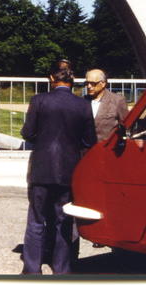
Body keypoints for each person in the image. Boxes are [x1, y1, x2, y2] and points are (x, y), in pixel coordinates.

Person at [20, 59, 97, 274]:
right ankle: (61, 270)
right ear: (72, 80)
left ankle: (32, 270)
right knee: (63, 221)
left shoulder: (39, 100)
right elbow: (90, 141)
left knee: (36, 220)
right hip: (69, 171)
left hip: (41, 169)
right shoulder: (83, 105)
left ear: (52, 78)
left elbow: (27, 132)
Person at [84, 68, 129, 143]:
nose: (89, 86)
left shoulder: (118, 101)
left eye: (93, 83)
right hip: (85, 152)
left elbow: (126, 127)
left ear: (103, 83)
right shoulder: (83, 101)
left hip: (107, 150)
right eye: (87, 83)